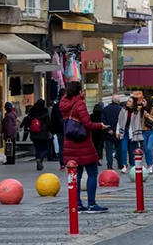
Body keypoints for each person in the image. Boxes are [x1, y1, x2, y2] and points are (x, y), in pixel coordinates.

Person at [60, 81, 110, 213]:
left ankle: (76, 203)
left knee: (76, 174)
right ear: (80, 92)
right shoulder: (79, 104)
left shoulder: (64, 104)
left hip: (69, 143)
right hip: (82, 143)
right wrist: (100, 126)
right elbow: (87, 124)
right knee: (92, 172)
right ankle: (91, 204)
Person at [101, 96, 126, 170]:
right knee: (119, 149)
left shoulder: (105, 109)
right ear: (118, 101)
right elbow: (121, 121)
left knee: (109, 150)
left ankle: (109, 165)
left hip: (107, 133)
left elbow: (102, 120)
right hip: (117, 132)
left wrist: (108, 129)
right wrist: (115, 130)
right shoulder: (121, 109)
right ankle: (120, 164)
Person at [26, 99, 51, 170]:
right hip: (43, 133)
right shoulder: (44, 111)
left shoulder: (32, 111)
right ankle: (40, 158)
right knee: (45, 148)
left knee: (37, 148)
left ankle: (38, 160)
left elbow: (28, 121)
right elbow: (48, 123)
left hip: (34, 133)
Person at [140, 95, 153, 165]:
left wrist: (148, 116)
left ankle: (151, 164)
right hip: (143, 131)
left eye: (144, 101)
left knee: (149, 148)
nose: (142, 103)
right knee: (146, 149)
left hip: (152, 131)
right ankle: (149, 165)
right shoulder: (141, 110)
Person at [50, 92, 65, 169]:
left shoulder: (56, 106)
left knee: (61, 146)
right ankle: (69, 161)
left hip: (59, 129)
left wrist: (53, 130)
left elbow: (53, 119)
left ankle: (62, 163)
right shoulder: (69, 105)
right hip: (69, 128)